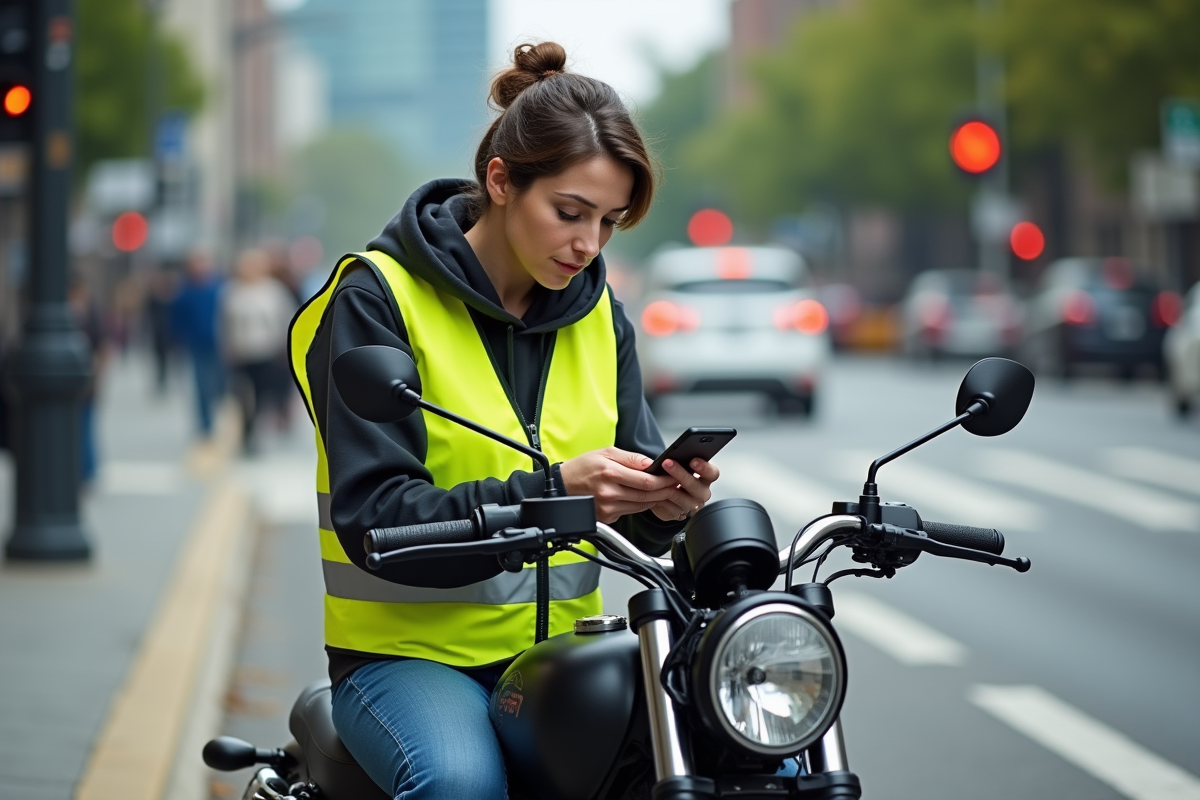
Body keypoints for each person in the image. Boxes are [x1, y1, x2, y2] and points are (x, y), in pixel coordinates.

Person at [288, 42, 721, 800]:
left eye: (610, 222)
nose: (589, 244)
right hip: (406, 661)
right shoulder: (375, 298)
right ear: (500, 181)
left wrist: (663, 507)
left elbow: (625, 509)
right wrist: (554, 489)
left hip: (568, 656)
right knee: (460, 787)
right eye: (569, 212)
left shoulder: (600, 313)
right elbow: (374, 519)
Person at [220, 248, 296, 454]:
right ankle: (246, 430)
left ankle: (256, 434)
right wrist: (227, 347)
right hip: (241, 352)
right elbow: (224, 322)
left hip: (266, 351)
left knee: (262, 395)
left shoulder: (274, 291)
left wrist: (284, 346)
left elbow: (286, 319)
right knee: (242, 396)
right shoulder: (232, 291)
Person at [171, 248, 225, 438]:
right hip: (196, 344)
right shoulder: (185, 291)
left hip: (221, 344)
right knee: (201, 384)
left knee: (220, 383)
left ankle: (219, 415)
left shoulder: (219, 287)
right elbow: (177, 319)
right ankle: (205, 423)